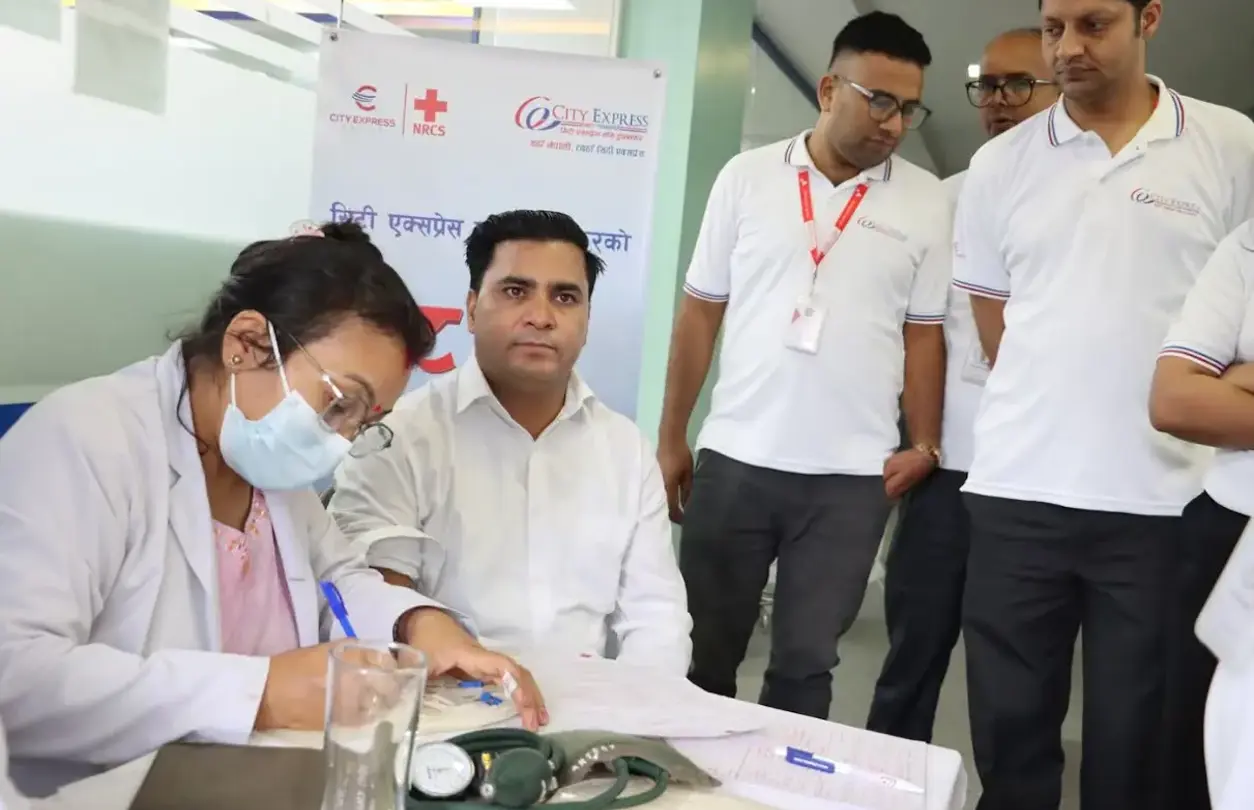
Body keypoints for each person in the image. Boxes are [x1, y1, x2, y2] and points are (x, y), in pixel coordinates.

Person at [0, 222, 545, 797]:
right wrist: (259, 693)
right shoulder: (86, 440)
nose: (341, 441)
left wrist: (418, 625)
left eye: (364, 423)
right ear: (245, 343)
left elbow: (338, 585)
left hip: (254, 784)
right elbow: (18, 677)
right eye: (340, 403)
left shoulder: (267, 469)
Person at [951, 0, 1254, 807]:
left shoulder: (1229, 144)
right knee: (1011, 738)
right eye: (1055, 28)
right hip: (1018, 492)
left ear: (1148, 18)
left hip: (1165, 502)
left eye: (1094, 25)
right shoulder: (1000, 164)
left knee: (1136, 748)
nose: (1068, 47)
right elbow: (996, 325)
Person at [658, 11, 951, 719]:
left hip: (851, 478)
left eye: (909, 108)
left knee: (806, 665)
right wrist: (671, 438)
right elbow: (700, 313)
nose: (894, 123)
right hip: (738, 457)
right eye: (879, 100)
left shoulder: (926, 200)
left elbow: (924, 335)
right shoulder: (747, 177)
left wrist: (924, 443)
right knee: (703, 654)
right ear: (828, 90)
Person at [329, 210, 691, 674]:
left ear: (587, 319)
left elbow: (656, 617)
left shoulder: (625, 449)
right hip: (445, 698)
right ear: (471, 308)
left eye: (565, 297)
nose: (541, 317)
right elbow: (374, 604)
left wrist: (645, 707)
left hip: (592, 704)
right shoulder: (399, 438)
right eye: (516, 291)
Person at [866, 26, 1057, 743]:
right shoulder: (944, 200)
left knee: (1014, 675)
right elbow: (912, 332)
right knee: (911, 656)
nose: (999, 101)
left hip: (1033, 478)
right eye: (988, 87)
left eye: (1019, 85)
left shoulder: (1081, 206)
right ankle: (882, 784)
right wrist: (916, 441)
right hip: (943, 472)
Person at [1150, 221, 1254, 809]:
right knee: (1198, 751)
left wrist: (1240, 380)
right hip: (1231, 530)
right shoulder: (1247, 247)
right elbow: (1176, 400)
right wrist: (1213, 390)